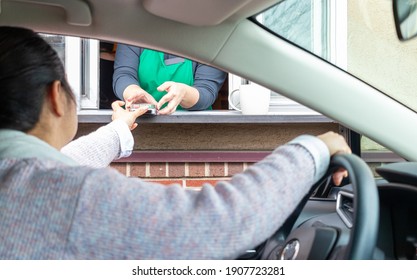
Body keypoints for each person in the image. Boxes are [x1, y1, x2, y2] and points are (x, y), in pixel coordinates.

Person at [0, 26, 350, 260]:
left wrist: (122, 125)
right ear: (56, 97)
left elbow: (69, 158)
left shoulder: (25, 176)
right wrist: (315, 148)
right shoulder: (71, 194)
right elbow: (217, 224)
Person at [112, 43, 227, 115]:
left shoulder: (212, 38)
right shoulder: (133, 34)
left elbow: (207, 91)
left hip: (194, 129)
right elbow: (124, 74)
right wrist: (132, 92)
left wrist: (184, 93)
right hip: (140, 124)